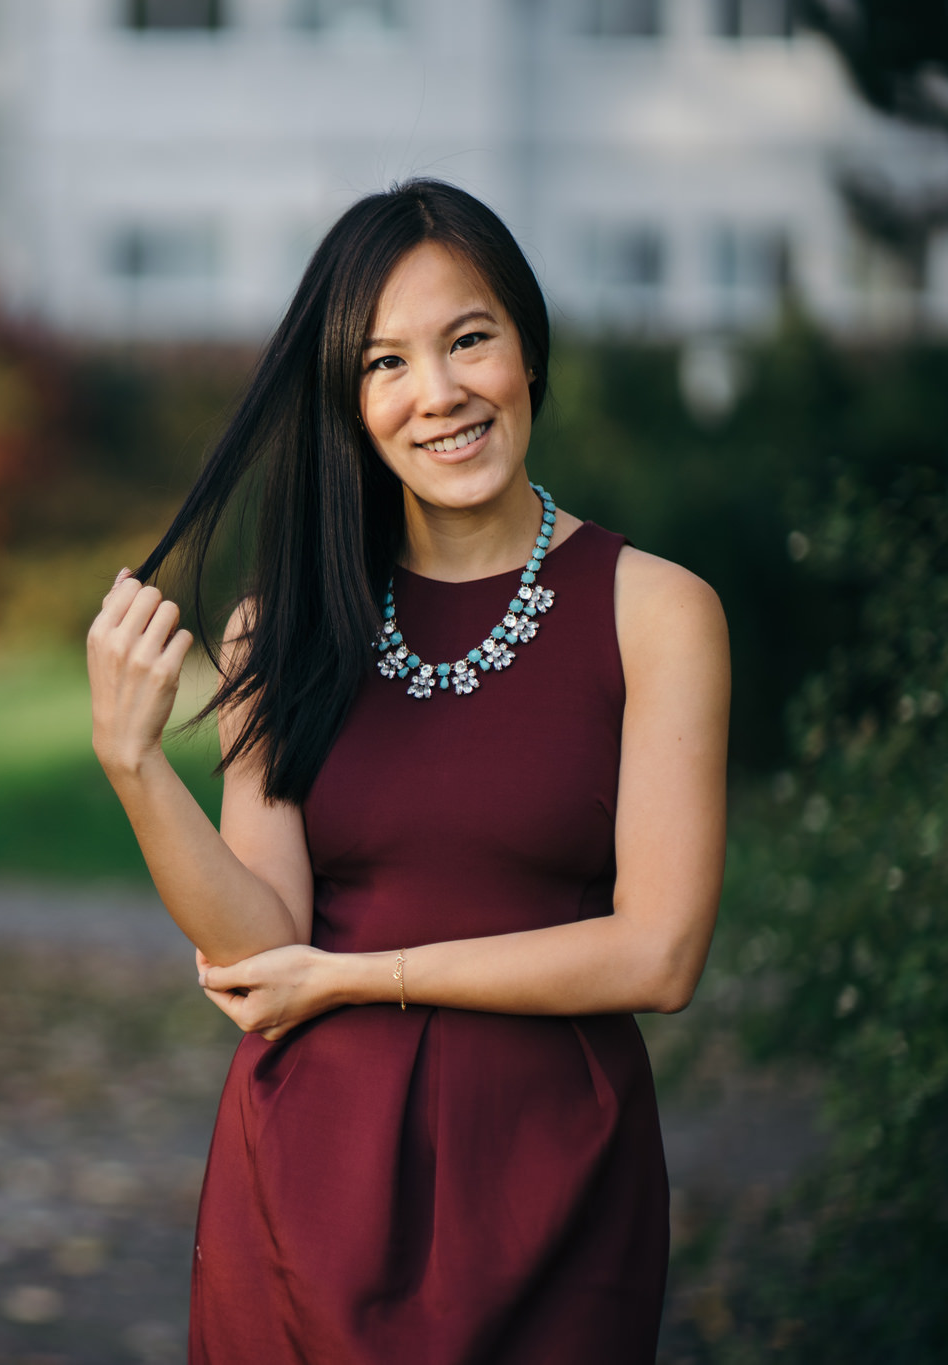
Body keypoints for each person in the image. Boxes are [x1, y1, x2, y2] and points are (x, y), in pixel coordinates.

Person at [85, 180, 729, 1364]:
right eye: (384, 363)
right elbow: (255, 941)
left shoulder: (656, 611)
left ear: (526, 351)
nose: (436, 394)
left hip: (551, 1170)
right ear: (350, 402)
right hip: (307, 1176)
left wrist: (358, 977)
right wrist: (134, 768)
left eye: (466, 339)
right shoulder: (277, 629)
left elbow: (660, 953)